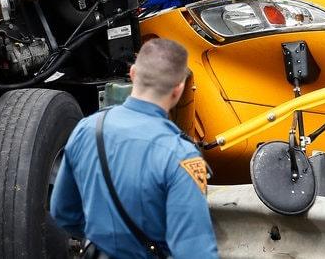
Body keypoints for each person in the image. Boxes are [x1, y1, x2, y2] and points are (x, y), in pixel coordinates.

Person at [50, 38, 218, 259]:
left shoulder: (87, 129)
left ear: (132, 74)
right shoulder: (180, 155)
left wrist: (105, 238)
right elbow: (194, 250)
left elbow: (63, 212)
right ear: (178, 89)